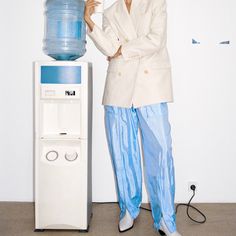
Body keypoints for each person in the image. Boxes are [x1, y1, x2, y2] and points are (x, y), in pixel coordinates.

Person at [84, 0, 182, 235]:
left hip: (152, 86)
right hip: (119, 87)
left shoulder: (156, 3)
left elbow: (156, 40)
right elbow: (109, 47)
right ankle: (128, 209)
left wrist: (123, 50)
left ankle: (166, 220)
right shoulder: (110, 11)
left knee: (161, 153)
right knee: (122, 153)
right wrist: (89, 20)